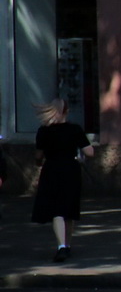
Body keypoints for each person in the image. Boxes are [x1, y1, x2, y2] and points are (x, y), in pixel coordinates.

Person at [31, 98, 93, 261]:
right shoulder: (75, 130)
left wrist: (39, 162)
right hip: (70, 170)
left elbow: (38, 155)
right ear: (66, 111)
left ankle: (61, 246)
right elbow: (90, 152)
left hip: (51, 169)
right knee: (69, 210)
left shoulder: (43, 131)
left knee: (56, 211)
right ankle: (67, 245)